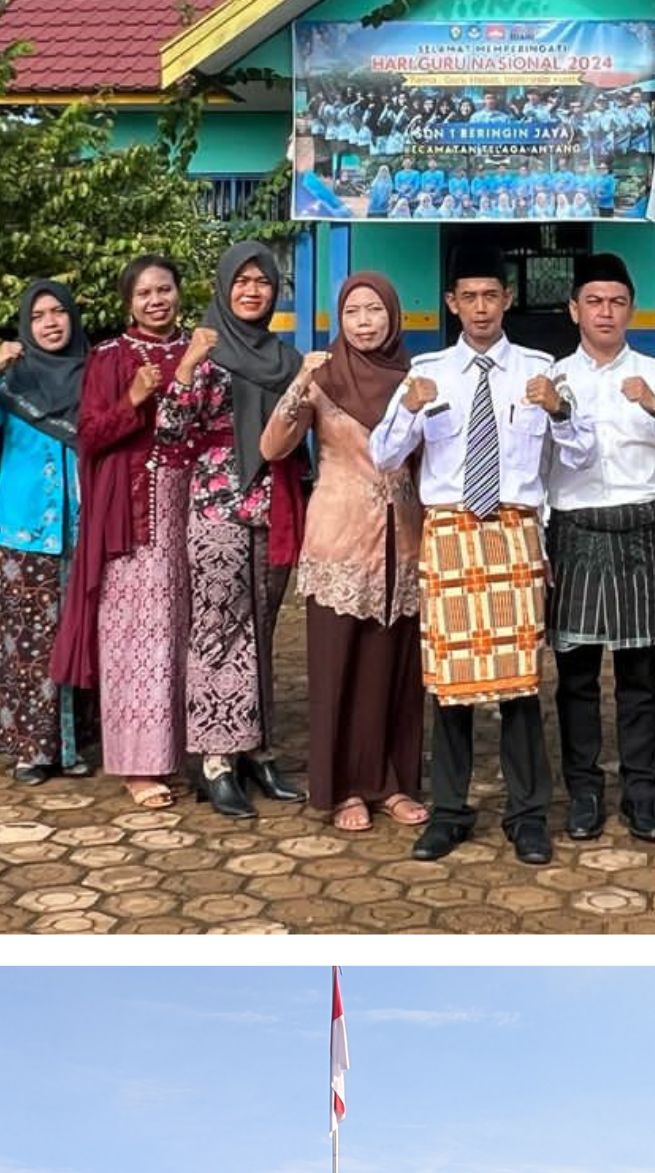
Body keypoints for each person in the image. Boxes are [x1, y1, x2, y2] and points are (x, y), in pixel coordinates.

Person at [369, 244, 559, 863]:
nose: (481, 308)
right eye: (469, 297)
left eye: (491, 296)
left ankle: (528, 814)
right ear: (451, 303)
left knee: (520, 684)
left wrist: (560, 410)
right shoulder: (427, 372)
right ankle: (449, 812)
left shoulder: (539, 370)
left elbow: (573, 456)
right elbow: (384, 455)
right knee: (449, 685)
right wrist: (408, 410)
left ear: (508, 299)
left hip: (513, 530)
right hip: (450, 534)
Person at [261, 271, 426, 832]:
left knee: (393, 670)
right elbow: (273, 446)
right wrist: (299, 384)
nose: (364, 322)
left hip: (402, 540)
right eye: (353, 312)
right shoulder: (323, 376)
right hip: (339, 538)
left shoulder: (413, 380)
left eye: (374, 310)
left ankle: (393, 783)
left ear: (393, 316)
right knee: (340, 668)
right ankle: (344, 789)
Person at [159, 241, 307, 819]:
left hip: (277, 506)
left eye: (262, 281)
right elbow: (170, 435)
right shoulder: (207, 349)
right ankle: (216, 758)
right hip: (218, 507)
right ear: (224, 287)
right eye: (241, 281)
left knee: (262, 629)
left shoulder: (288, 358)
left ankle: (257, 749)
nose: (252, 290)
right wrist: (186, 367)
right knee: (218, 628)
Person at [544, 252, 655, 841]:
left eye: (617, 302)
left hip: (641, 532)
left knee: (638, 678)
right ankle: (584, 792)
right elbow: (537, 469)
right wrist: (541, 546)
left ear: (632, 309)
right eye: (594, 301)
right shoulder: (552, 379)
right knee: (575, 677)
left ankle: (641, 794)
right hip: (574, 532)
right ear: (574, 309)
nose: (606, 312)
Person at [57, 255, 189, 808]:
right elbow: (88, 435)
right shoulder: (110, 356)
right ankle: (137, 763)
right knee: (135, 639)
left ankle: (179, 752)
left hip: (193, 511)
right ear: (128, 303)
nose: (156, 301)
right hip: (132, 516)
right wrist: (132, 398)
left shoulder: (198, 351)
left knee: (181, 637)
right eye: (144, 294)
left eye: (164, 290)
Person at [0, 280, 92, 784]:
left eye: (58, 312)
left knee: (77, 639)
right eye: (38, 316)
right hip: (24, 533)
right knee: (25, 645)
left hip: (83, 532)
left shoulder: (91, 374)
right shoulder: (13, 378)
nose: (50, 323)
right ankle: (30, 750)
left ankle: (71, 746)